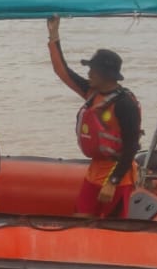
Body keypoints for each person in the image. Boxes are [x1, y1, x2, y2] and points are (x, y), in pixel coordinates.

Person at [47, 15, 142, 218]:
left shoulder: (125, 105)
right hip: (95, 171)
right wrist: (53, 35)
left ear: (105, 75)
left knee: (111, 229)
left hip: (118, 174)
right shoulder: (92, 93)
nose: (88, 74)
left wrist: (112, 182)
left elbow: (131, 147)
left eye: (92, 71)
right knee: (80, 220)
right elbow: (62, 71)